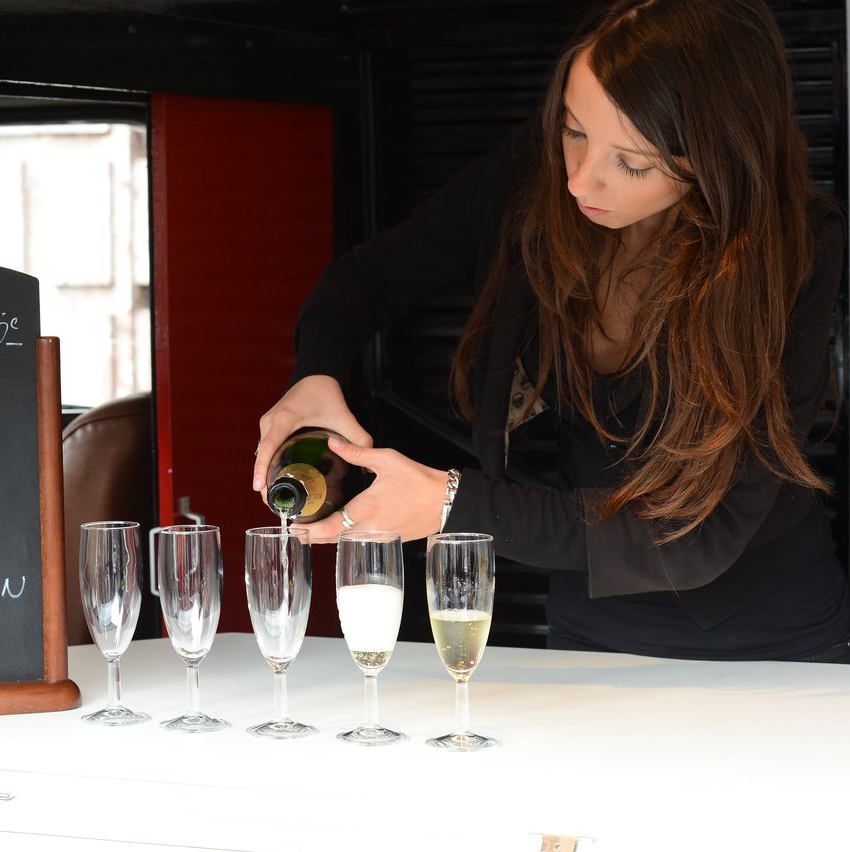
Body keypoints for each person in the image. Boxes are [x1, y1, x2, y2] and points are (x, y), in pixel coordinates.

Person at [251, 0, 850, 662]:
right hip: (588, 630)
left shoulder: (795, 253)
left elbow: (702, 535)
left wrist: (454, 506)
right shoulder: (531, 186)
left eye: (632, 162)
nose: (579, 179)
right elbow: (366, 281)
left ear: (714, 158)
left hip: (770, 642)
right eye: (573, 131)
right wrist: (316, 373)